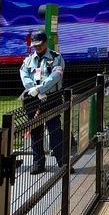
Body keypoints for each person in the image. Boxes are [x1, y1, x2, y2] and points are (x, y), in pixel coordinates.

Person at [20, 31, 67, 175]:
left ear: (45, 42)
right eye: (35, 45)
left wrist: (41, 88)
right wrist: (33, 89)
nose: (37, 47)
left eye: (40, 44)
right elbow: (24, 75)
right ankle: (38, 163)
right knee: (35, 132)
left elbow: (56, 76)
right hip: (33, 99)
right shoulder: (28, 60)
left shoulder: (56, 57)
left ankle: (63, 162)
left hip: (51, 98)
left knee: (55, 130)